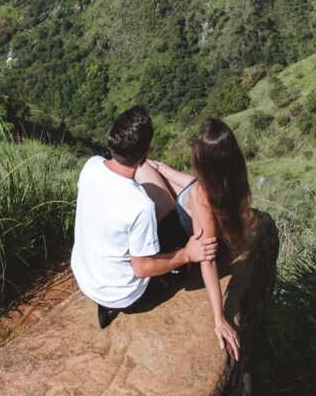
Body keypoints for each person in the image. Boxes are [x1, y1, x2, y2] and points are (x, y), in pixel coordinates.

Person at [71, 107, 218, 329]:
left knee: (163, 202)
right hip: (125, 296)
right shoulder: (140, 206)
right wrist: (187, 254)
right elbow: (142, 268)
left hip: (86, 278)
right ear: (146, 151)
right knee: (173, 225)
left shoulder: (91, 167)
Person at [146, 119, 254, 359]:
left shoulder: (202, 195)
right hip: (193, 207)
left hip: (176, 229)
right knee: (152, 168)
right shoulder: (233, 177)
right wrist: (160, 167)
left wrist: (219, 317)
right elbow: (193, 185)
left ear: (201, 159)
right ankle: (154, 167)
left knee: (142, 170)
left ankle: (148, 168)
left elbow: (207, 257)